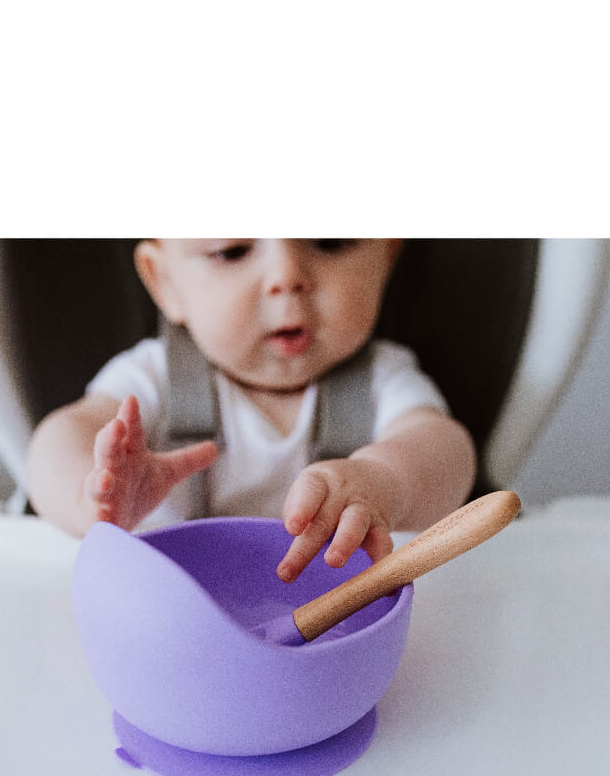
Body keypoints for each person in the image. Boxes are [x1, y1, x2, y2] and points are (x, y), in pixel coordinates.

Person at [26, 239, 476, 582]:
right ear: (164, 282)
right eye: (233, 251)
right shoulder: (155, 375)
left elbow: (446, 450)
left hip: (329, 611)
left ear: (386, 255)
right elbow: (59, 437)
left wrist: (386, 482)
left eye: (330, 241)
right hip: (179, 608)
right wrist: (93, 498)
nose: (287, 276)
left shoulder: (381, 376)